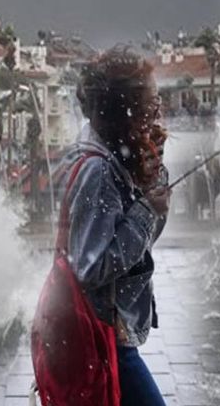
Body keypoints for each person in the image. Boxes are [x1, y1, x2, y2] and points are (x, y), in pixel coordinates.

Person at [60, 46, 170, 405]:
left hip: (108, 333)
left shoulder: (110, 156)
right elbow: (90, 266)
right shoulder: (99, 170)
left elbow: (142, 243)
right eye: (150, 104)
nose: (158, 112)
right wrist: (146, 210)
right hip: (104, 336)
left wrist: (151, 177)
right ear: (127, 112)